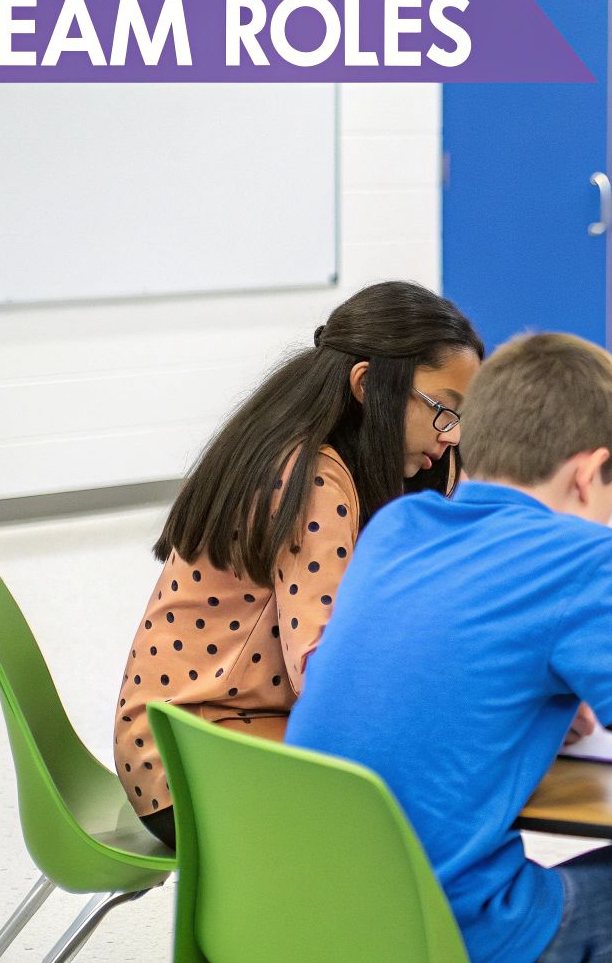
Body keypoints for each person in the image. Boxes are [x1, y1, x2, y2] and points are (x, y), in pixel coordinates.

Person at [286, 332, 612, 963]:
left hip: (300, 913)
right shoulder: (588, 558)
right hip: (447, 934)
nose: (611, 518)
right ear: (586, 475)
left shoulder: (397, 525)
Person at [112, 281, 484, 849]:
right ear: (366, 386)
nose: (451, 435)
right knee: (443, 786)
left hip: (197, 741)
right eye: (443, 411)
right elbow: (326, 673)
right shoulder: (314, 477)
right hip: (194, 765)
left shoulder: (315, 451)